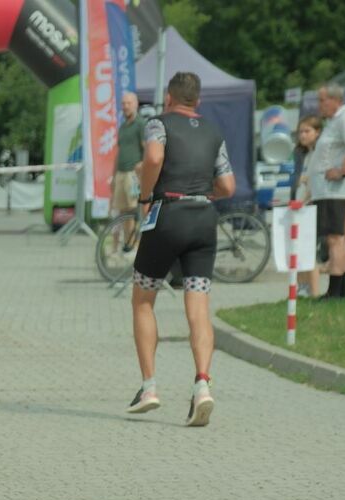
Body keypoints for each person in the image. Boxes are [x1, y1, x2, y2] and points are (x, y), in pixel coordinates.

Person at [125, 71, 235, 427]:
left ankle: (149, 387)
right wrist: (203, 193)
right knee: (199, 307)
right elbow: (228, 186)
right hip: (204, 218)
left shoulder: (159, 123)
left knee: (143, 299)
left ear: (169, 98)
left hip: (167, 216)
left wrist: (145, 196)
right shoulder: (214, 131)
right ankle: (202, 384)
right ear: (198, 101)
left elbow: (154, 159)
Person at [306, 84, 345, 299]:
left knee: (335, 238)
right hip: (327, 191)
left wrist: (342, 171)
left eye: (322, 100)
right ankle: (341, 290)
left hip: (334, 191)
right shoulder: (335, 121)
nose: (319, 105)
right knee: (336, 238)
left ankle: (335, 291)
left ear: (335, 100)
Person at [291, 115, 324, 298]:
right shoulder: (304, 155)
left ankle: (315, 293)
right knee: (299, 249)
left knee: (310, 251)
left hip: (309, 207)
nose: (302, 135)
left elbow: (314, 184)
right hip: (301, 207)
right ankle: (302, 288)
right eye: (300, 132)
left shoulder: (318, 154)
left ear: (317, 132)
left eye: (307, 131)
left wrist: (304, 201)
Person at [112, 91, 145, 246]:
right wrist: (113, 176)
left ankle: (133, 245)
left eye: (128, 103)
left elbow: (146, 148)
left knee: (132, 211)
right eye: (123, 103)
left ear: (136, 104)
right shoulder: (123, 126)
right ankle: (127, 243)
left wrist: (142, 166)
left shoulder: (140, 124)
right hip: (120, 173)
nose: (125, 106)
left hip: (133, 174)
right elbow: (118, 152)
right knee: (123, 212)